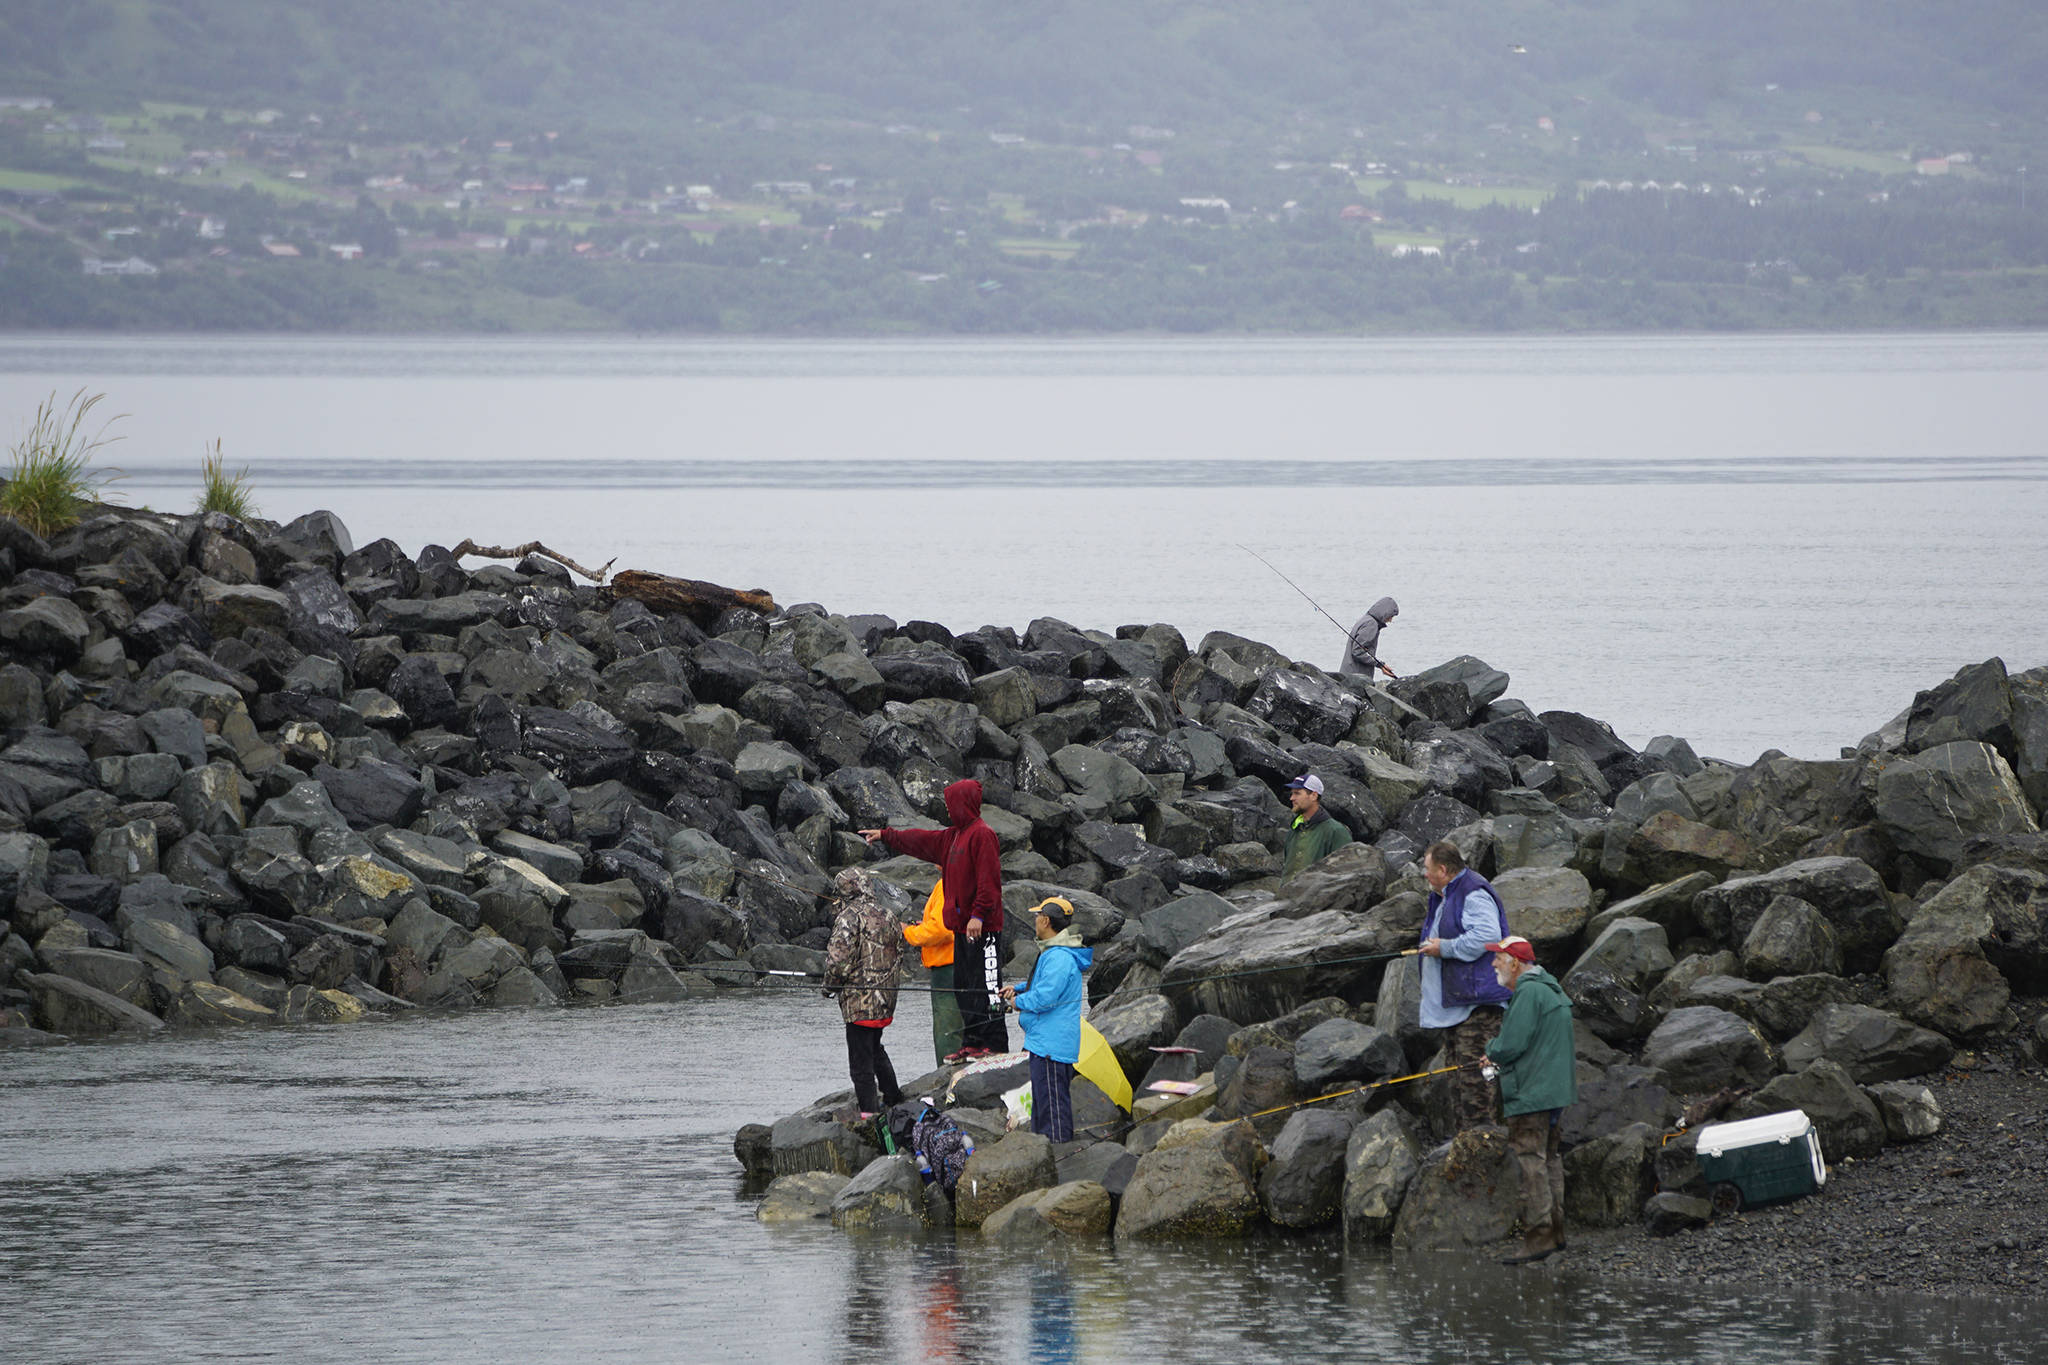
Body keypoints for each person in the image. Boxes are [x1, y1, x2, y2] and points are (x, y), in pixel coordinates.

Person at [861, 778, 1009, 1061]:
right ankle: (972, 1042)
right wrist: (886, 835)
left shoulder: (982, 834)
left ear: (963, 803)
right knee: (964, 986)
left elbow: (989, 882)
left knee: (988, 986)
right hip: (961, 930)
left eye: (951, 803)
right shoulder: (952, 836)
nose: (948, 809)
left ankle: (995, 1044)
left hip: (984, 928)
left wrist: (978, 915)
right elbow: (919, 840)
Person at [1483, 934, 1578, 1264]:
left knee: (1530, 1161)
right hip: (1554, 1091)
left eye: (1498, 958)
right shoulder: (1551, 988)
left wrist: (1491, 1052)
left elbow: (1509, 1045)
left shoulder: (1528, 992)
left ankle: (1538, 1239)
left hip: (1532, 1093)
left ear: (1515, 963)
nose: (1494, 963)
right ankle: (1556, 1232)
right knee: (1549, 1158)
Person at [1417, 839, 1513, 1132]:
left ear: (1443, 870)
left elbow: (1489, 935)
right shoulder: (1447, 893)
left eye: (1427, 868)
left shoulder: (1472, 891)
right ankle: (1466, 1146)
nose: (1425, 874)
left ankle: (1482, 1144)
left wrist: (1444, 948)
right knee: (1459, 1081)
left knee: (1477, 1083)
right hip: (1459, 1005)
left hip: (1479, 1005)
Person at [1000, 896, 1092, 1144]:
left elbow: (1045, 997)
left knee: (1053, 1109)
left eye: (1037, 916)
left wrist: (1017, 1002)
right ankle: (1044, 1152)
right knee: (1042, 1106)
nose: (1035, 920)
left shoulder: (1059, 957)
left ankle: (1061, 1155)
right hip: (1043, 1044)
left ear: (1046, 920)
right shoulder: (1055, 952)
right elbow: (1040, 985)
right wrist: (1018, 989)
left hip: (1052, 1047)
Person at [820, 867, 906, 1119]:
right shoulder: (889, 915)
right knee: (875, 1048)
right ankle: (893, 1097)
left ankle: (870, 1113)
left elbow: (838, 960)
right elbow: (898, 955)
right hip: (885, 1000)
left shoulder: (848, 917)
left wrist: (829, 987)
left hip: (859, 1004)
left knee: (860, 1064)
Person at [903, 879, 966, 1065]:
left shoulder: (947, 883)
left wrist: (909, 932)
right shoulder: (965, 878)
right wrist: (923, 926)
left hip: (948, 968)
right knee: (965, 1027)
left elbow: (941, 930)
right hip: (965, 962)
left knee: (947, 1030)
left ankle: (948, 1081)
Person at [1280, 773, 1351, 879]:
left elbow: (1345, 875)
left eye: (1297, 793)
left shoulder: (1336, 831)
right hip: (1287, 895)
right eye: (1292, 794)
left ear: (1314, 795)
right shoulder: (1294, 829)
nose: (1291, 798)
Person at [1339, 597, 1399, 679]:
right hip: (1356, 677)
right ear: (1385, 612)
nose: (1390, 620)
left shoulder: (1365, 619)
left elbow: (1359, 649)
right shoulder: (1371, 624)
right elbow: (1357, 651)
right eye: (1391, 616)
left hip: (1349, 673)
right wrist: (1380, 664)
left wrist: (1381, 666)